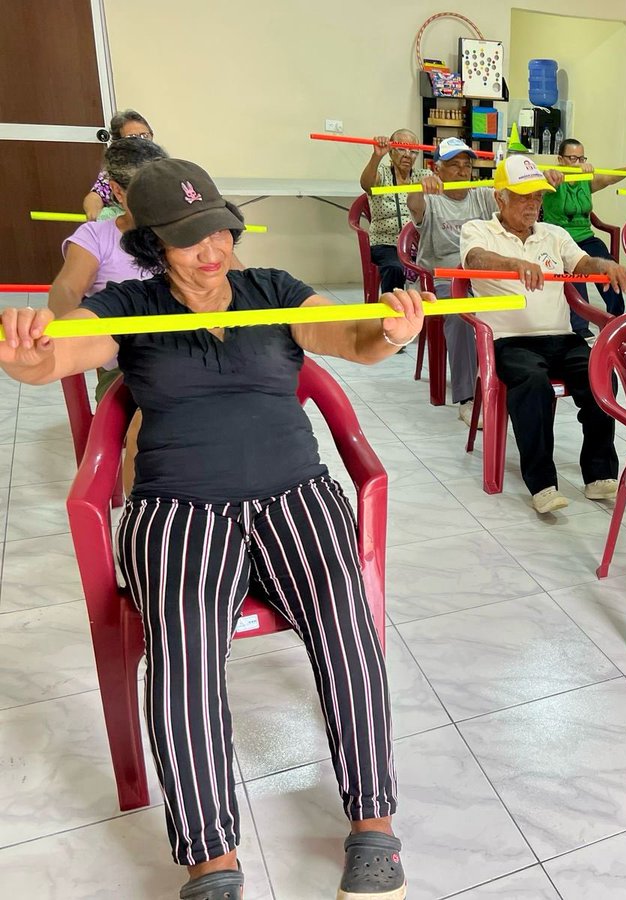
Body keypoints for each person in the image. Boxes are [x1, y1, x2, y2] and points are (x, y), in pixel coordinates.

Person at [1, 158, 421, 900]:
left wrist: (389, 331)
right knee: (184, 655)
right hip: (180, 508)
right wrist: (30, 351)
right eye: (191, 238)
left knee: (347, 623)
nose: (213, 249)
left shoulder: (273, 290)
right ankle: (212, 861)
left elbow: (351, 339)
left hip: (296, 494)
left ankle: (375, 825)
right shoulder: (134, 305)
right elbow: (62, 353)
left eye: (220, 229)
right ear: (152, 244)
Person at [459, 155, 626, 514]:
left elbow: (583, 264)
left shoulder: (555, 235)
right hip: (508, 340)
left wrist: (606, 264)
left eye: (538, 197)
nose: (533, 204)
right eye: (524, 197)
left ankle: (599, 474)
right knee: (532, 384)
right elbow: (474, 260)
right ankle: (542, 483)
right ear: (500, 197)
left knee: (600, 377)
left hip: (561, 337)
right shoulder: (477, 229)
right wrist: (513, 264)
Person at [51, 136, 168, 491]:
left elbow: (236, 280)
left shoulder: (179, 231)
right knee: (154, 424)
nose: (158, 201)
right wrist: (67, 332)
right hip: (127, 364)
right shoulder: (96, 236)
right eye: (144, 191)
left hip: (187, 350)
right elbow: (67, 290)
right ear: (117, 192)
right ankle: (146, 516)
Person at [407, 138, 503, 427]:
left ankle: (506, 381)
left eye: (467, 165)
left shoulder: (480, 196)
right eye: (453, 165)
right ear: (437, 169)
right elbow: (414, 203)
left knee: (518, 303)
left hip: (479, 274)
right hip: (442, 279)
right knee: (461, 317)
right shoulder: (431, 197)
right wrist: (420, 186)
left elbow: (507, 193)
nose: (462, 171)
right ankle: (467, 398)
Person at [540, 138, 626, 335]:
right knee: (576, 274)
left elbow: (608, 178)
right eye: (572, 158)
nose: (578, 163)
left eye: (581, 158)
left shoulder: (585, 180)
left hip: (586, 237)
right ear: (560, 160)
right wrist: (550, 174)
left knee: (609, 267)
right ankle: (581, 329)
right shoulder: (554, 180)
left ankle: (615, 319)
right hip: (561, 240)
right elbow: (541, 180)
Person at [360, 128, 429, 295]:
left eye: (413, 151)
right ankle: (393, 312)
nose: (407, 154)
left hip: (418, 244)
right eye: (401, 148)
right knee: (394, 268)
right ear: (391, 152)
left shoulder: (423, 175)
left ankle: (429, 315)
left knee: (436, 265)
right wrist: (377, 156)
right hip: (386, 242)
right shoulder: (382, 174)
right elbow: (366, 184)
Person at [83, 109, 155, 221]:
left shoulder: (162, 165)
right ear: (118, 143)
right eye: (131, 137)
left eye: (144, 135)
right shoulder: (113, 172)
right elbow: (95, 197)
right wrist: (94, 218)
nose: (140, 142)